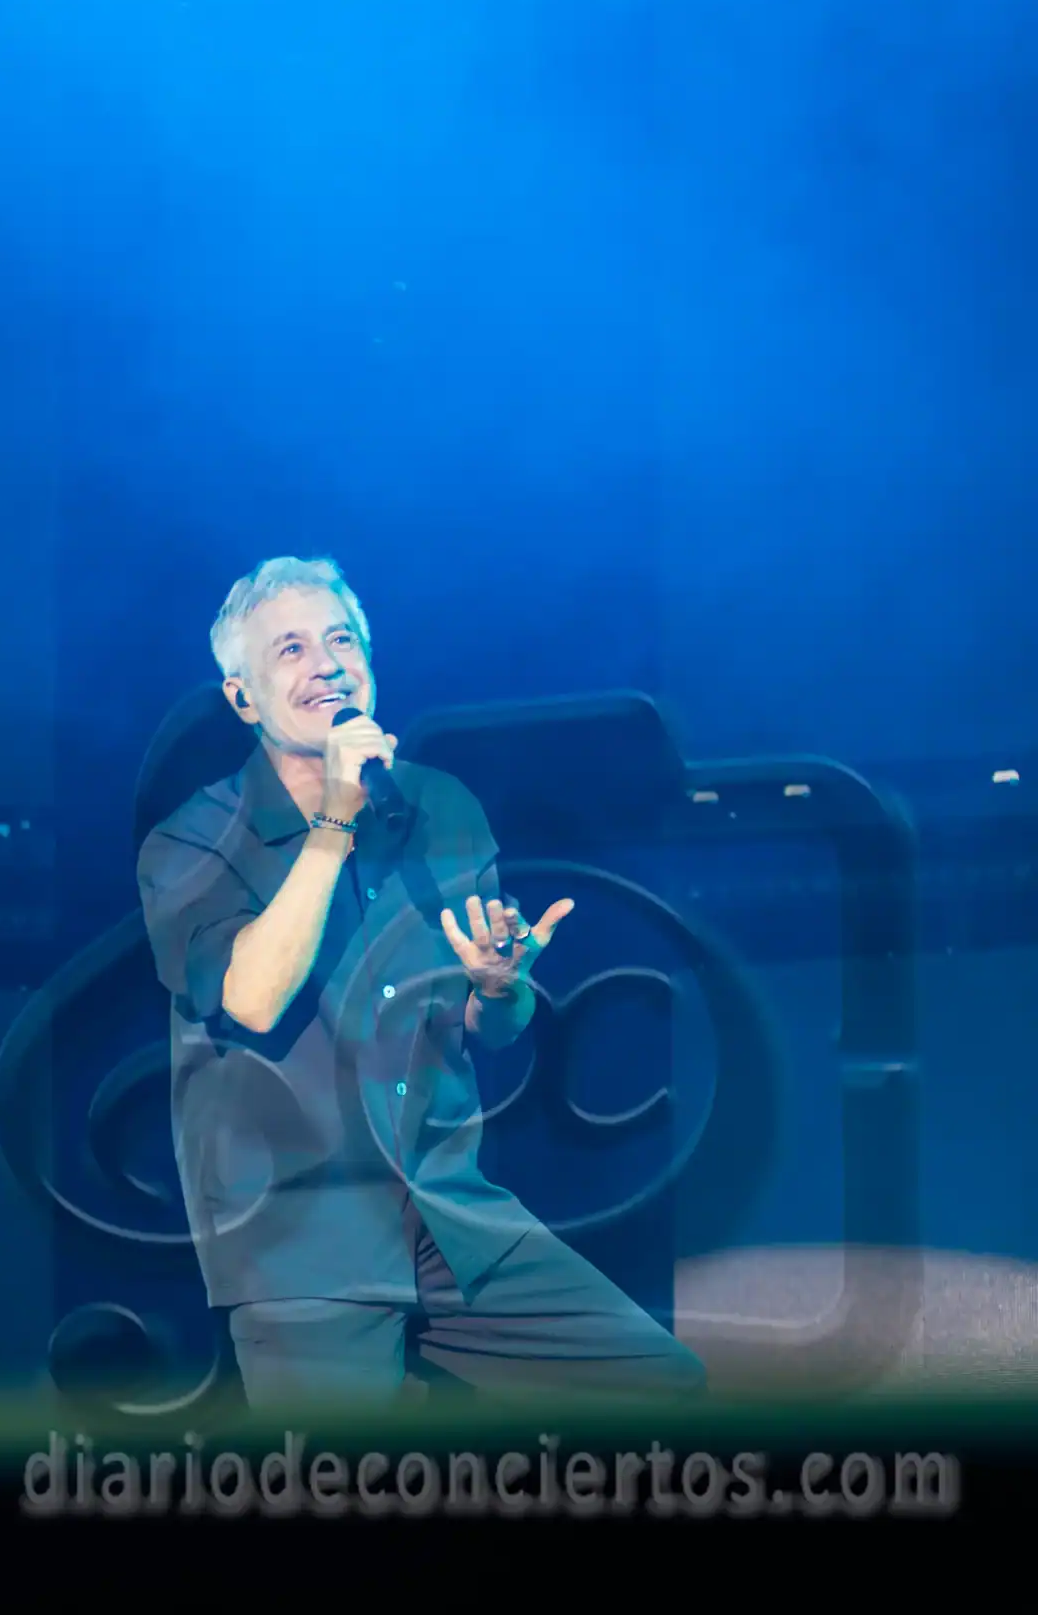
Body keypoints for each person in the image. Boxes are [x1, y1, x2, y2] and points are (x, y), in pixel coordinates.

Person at [137, 555, 705, 1408]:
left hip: (450, 1212)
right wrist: (335, 815)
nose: (327, 664)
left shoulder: (442, 809)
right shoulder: (193, 841)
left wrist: (500, 985)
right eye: (291, 649)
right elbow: (251, 999)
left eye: (342, 641)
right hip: (301, 1240)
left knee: (661, 1389)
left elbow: (491, 1027)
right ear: (243, 697)